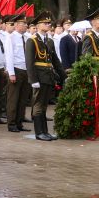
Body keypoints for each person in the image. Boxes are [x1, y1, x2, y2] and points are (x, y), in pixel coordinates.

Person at [25, 11, 65, 141]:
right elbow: (29, 62)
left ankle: (45, 131)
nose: (48, 25)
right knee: (38, 105)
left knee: (44, 105)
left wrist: (64, 76)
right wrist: (33, 80)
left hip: (48, 77)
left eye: (49, 23)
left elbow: (55, 61)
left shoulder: (49, 41)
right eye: (45, 23)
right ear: (37, 25)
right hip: (38, 77)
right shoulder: (32, 41)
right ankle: (39, 132)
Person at [5, 14, 31, 132]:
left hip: (26, 70)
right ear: (16, 25)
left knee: (23, 98)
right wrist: (11, 73)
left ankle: (19, 122)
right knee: (13, 98)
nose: (26, 25)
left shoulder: (27, 38)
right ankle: (11, 123)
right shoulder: (11, 38)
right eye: (23, 23)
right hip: (16, 69)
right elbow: (9, 56)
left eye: (26, 23)